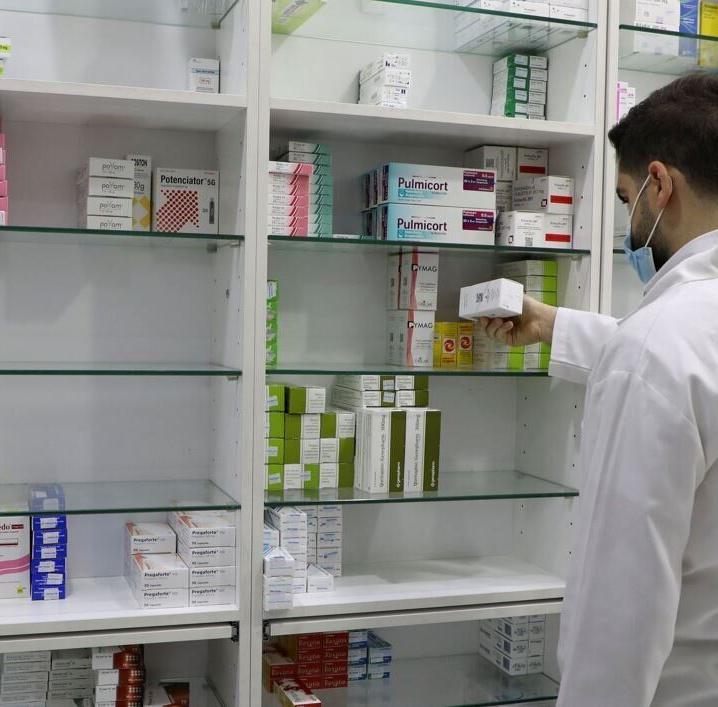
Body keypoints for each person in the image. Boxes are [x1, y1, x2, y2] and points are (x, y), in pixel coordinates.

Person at [480, 73, 718, 706]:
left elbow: (620, 611)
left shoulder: (657, 348)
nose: (627, 219)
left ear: (660, 185)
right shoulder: (672, 341)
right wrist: (556, 325)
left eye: (624, 197)